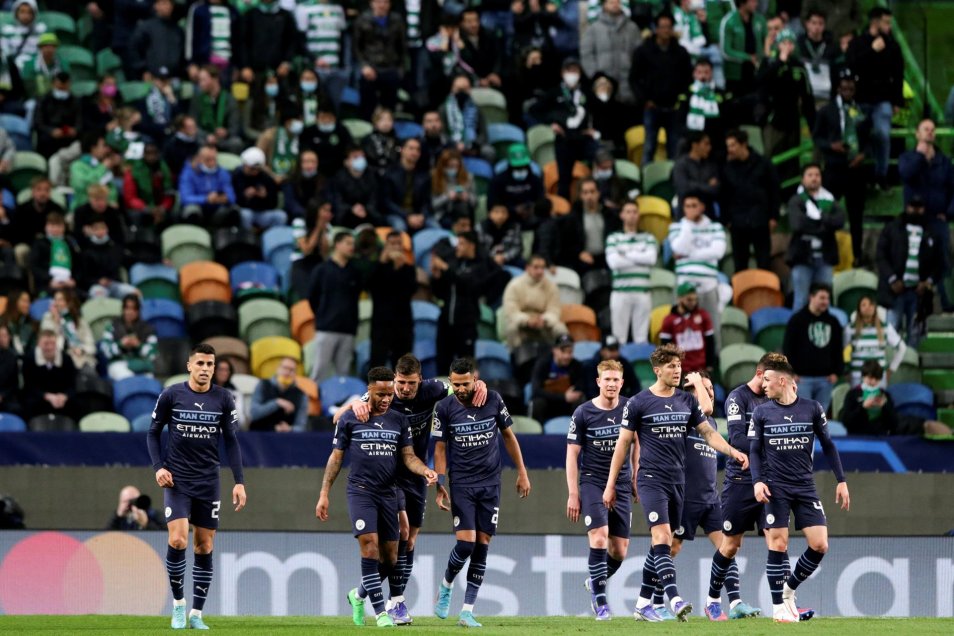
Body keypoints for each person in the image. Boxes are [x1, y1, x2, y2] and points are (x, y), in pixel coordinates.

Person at [334, 355, 488, 624]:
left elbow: (461, 387)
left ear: (420, 380)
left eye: (411, 383)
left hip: (416, 471)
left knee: (410, 541)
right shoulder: (379, 395)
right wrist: (356, 403)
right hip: (390, 474)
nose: (404, 389)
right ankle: (396, 604)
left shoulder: (434, 389)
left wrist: (480, 385)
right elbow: (339, 417)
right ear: (394, 379)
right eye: (401, 383)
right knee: (402, 533)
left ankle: (359, 594)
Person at [602, 344, 747, 622]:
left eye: (679, 366)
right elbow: (622, 445)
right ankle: (674, 598)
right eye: (671, 366)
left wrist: (731, 451)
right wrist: (611, 485)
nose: (677, 370)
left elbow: (707, 432)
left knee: (667, 542)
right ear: (657, 370)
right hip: (651, 479)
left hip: (678, 481)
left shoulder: (687, 401)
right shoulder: (638, 402)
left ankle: (643, 604)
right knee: (662, 538)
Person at [316, 366, 438, 628]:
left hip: (390, 492)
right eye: (380, 394)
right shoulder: (351, 418)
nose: (385, 399)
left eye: (388, 394)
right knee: (370, 545)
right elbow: (336, 458)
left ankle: (357, 596)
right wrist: (324, 493)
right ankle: (382, 611)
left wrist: (425, 470)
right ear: (368, 390)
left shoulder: (398, 420)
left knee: (392, 557)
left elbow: (408, 456)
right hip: (361, 492)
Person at [147, 343, 246, 630]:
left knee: (204, 545)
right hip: (177, 479)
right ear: (190, 366)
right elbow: (153, 433)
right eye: (200, 363)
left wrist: (239, 482)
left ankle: (196, 614)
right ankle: (178, 606)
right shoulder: (171, 395)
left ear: (215, 369)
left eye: (210, 365)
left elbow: (231, 441)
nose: (205, 369)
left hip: (208, 481)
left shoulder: (223, 399)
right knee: (178, 540)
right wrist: (159, 468)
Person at [432, 357, 531, 628]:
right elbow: (439, 448)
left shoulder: (493, 399)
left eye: (465, 383)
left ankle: (467, 611)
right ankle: (446, 585)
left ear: (474, 379)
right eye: (456, 384)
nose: (461, 388)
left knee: (483, 544)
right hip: (462, 482)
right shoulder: (443, 408)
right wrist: (440, 483)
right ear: (450, 382)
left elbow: (509, 436)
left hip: (490, 483)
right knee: (466, 544)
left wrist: (521, 471)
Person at [749, 355, 849, 622]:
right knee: (778, 544)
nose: (763, 385)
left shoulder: (813, 408)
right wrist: (757, 481)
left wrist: (841, 480)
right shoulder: (761, 412)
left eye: (767, 380)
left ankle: (789, 590)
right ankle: (779, 609)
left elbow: (828, 445)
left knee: (820, 544)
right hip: (775, 487)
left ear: (783, 381)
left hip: (805, 486)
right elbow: (755, 451)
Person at [668, 372, 759, 621]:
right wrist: (696, 381)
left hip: (710, 498)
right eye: (703, 388)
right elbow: (705, 406)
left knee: (727, 548)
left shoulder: (712, 425)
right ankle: (654, 602)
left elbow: (707, 408)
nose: (709, 393)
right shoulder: (685, 414)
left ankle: (735, 602)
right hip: (686, 497)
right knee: (670, 549)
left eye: (711, 388)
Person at [705, 352, 787, 622]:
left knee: (777, 540)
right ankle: (713, 601)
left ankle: (784, 606)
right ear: (762, 374)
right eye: (773, 377)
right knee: (730, 545)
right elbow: (737, 437)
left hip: (770, 480)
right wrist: (768, 448)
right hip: (740, 481)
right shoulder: (737, 398)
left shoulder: (775, 397)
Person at [566, 359, 636, 620]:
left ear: (622, 382)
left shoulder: (630, 407)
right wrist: (574, 492)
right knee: (599, 536)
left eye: (616, 379)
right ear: (598, 382)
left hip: (621, 482)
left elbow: (637, 442)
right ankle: (601, 603)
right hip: (593, 481)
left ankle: (595, 581)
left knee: (619, 550)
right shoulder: (583, 412)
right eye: (606, 379)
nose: (611, 384)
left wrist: (636, 475)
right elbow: (572, 455)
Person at [898, 118, 954, 312]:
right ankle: (913, 303)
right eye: (925, 129)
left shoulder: (943, 161)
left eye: (932, 129)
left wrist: (948, 213)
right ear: (917, 134)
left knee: (943, 260)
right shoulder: (908, 157)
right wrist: (919, 157)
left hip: (938, 220)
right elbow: (906, 174)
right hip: (915, 220)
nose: (930, 132)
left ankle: (948, 304)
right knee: (914, 260)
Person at [812, 70, 868, 265]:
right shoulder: (826, 111)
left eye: (851, 86)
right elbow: (817, 137)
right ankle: (826, 253)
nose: (847, 90)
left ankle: (858, 255)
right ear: (838, 88)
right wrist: (831, 146)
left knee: (856, 214)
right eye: (844, 86)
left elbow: (869, 139)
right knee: (827, 212)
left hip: (856, 170)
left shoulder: (861, 110)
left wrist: (863, 154)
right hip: (834, 168)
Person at [430, 231, 507, 372]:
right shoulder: (454, 262)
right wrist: (436, 278)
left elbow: (468, 286)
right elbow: (439, 293)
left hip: (466, 323)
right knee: (442, 364)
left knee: (465, 367)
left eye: (461, 243)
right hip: (446, 321)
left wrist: (446, 269)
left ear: (471, 246)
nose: (458, 247)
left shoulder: (480, 266)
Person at [847, 6, 903, 190]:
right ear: (875, 22)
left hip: (882, 100)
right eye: (886, 22)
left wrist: (897, 101)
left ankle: (881, 174)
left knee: (882, 133)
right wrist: (871, 51)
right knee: (857, 135)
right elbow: (852, 67)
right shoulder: (858, 43)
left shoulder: (893, 46)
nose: (889, 26)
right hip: (861, 99)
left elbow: (898, 74)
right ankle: (859, 174)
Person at [875, 197, 941, 347]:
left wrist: (928, 282)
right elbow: (881, 256)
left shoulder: (932, 232)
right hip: (895, 291)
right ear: (907, 207)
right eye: (913, 206)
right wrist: (892, 279)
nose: (916, 210)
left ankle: (910, 366)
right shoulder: (892, 228)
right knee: (892, 331)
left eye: (919, 207)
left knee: (915, 334)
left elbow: (939, 263)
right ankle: (892, 366)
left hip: (919, 294)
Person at [630, 12, 693, 163]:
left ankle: (674, 181)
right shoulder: (643, 51)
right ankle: (646, 180)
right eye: (662, 27)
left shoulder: (681, 52)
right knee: (649, 146)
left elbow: (688, 79)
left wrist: (682, 100)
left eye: (669, 27)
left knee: (674, 148)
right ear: (656, 29)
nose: (665, 30)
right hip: (652, 107)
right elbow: (634, 78)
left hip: (674, 109)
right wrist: (644, 99)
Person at [532, 58, 599, 200]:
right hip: (564, 140)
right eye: (569, 70)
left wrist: (594, 129)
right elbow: (535, 110)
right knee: (564, 180)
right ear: (563, 73)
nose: (572, 74)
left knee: (600, 162)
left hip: (584, 138)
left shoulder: (586, 92)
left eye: (575, 70)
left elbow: (600, 111)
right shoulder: (555, 92)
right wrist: (551, 124)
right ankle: (565, 211)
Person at [667, 191, 725, 343]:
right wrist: (688, 224)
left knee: (712, 326)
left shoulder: (716, 227)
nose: (690, 209)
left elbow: (718, 252)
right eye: (687, 206)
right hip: (683, 285)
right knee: (680, 327)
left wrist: (689, 254)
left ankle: (713, 362)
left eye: (694, 206)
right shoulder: (676, 227)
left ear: (702, 207)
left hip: (708, 285)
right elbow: (679, 248)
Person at [787, 163, 844, 311]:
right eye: (810, 175)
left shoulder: (829, 200)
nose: (814, 178)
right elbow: (798, 224)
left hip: (824, 257)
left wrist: (817, 223)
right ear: (803, 179)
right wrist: (824, 225)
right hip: (802, 257)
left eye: (817, 175)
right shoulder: (796, 200)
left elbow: (840, 220)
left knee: (825, 299)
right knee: (801, 299)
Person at [307, 231, 363, 381]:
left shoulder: (354, 272)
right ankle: (315, 404)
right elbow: (312, 297)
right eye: (348, 243)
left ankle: (340, 404)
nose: (352, 247)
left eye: (353, 244)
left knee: (343, 374)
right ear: (337, 244)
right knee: (320, 371)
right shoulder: (322, 270)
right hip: (326, 327)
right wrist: (322, 315)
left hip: (348, 329)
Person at [721, 128, 779, 272]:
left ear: (744, 144)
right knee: (740, 265)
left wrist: (773, 216)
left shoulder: (763, 163)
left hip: (760, 220)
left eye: (733, 145)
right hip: (738, 222)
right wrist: (727, 219)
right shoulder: (727, 168)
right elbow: (724, 195)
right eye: (728, 146)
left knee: (764, 263)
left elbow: (774, 191)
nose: (730, 149)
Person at [842, 360, 951, 437]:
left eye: (876, 379)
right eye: (870, 378)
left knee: (923, 423)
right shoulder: (853, 394)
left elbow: (894, 423)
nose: (873, 382)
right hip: (859, 435)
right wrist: (863, 407)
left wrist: (885, 406)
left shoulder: (884, 395)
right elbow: (846, 421)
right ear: (863, 376)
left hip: (883, 434)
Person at [782, 283, 843, 414]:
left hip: (826, 380)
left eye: (827, 298)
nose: (825, 302)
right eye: (822, 298)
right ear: (811, 297)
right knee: (803, 417)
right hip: (802, 379)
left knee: (820, 420)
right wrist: (791, 372)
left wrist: (837, 372)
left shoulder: (833, 322)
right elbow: (788, 348)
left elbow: (838, 348)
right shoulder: (797, 320)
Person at [606, 200, 657, 344]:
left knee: (641, 338)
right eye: (628, 212)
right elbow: (614, 262)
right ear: (622, 215)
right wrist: (639, 257)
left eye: (635, 212)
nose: (632, 215)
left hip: (643, 293)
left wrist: (625, 254)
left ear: (639, 215)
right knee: (618, 338)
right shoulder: (613, 238)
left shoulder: (648, 237)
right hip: (620, 293)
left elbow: (651, 259)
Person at [368, 231, 417, 369]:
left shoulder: (408, 269)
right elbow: (372, 287)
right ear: (386, 246)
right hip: (381, 324)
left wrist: (398, 268)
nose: (396, 247)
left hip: (403, 324)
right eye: (392, 244)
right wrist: (384, 262)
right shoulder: (377, 267)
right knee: (377, 364)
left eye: (399, 243)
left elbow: (408, 291)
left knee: (403, 366)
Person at [352, 0, 406, 119]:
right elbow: (356, 47)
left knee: (390, 106)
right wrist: (364, 66)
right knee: (367, 106)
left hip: (390, 68)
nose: (382, 5)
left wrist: (400, 70)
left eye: (385, 2)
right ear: (372, 3)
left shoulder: (397, 20)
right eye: (378, 2)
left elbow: (402, 46)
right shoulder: (362, 20)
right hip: (370, 67)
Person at [580, 0, 641, 104]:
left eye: (617, 1)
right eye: (610, 2)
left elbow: (640, 56)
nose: (614, 4)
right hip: (603, 88)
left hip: (628, 87)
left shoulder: (632, 28)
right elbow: (586, 55)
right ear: (604, 5)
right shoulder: (593, 28)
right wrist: (596, 76)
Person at [501, 254, 566, 349]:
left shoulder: (551, 287)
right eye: (536, 267)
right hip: (522, 323)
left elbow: (554, 311)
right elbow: (511, 312)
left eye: (542, 268)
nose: (540, 271)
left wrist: (544, 319)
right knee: (512, 328)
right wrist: (527, 320)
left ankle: (561, 359)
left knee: (561, 329)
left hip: (543, 323)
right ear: (527, 268)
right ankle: (515, 358)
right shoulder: (514, 285)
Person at [556, 178, 620, 274]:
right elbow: (566, 244)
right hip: (584, 262)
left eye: (592, 192)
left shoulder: (609, 215)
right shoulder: (573, 218)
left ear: (598, 193)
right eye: (585, 193)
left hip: (607, 260)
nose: (589, 196)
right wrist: (579, 253)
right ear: (581, 195)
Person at [845, 296, 906, 388]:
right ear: (858, 309)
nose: (867, 307)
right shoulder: (850, 329)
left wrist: (891, 369)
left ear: (875, 308)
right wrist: (847, 370)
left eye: (871, 304)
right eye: (864, 305)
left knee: (878, 402)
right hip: (857, 376)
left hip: (879, 377)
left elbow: (902, 348)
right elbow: (844, 351)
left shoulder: (885, 327)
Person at [235, 0, 299, 86]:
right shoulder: (249, 15)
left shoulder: (286, 16)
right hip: (254, 72)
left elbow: (292, 42)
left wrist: (286, 62)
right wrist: (245, 66)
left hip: (280, 71)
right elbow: (242, 42)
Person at [659, 282, 717, 375]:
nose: (693, 303)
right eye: (689, 300)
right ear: (679, 299)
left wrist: (710, 366)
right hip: (681, 371)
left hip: (701, 370)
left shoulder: (703, 315)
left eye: (695, 299)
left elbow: (710, 342)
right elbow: (665, 348)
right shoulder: (669, 320)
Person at [100, 294, 158, 381]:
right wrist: (121, 344)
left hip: (141, 363)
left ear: (138, 311)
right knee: (128, 378)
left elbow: (153, 354)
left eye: (133, 309)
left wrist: (138, 345)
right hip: (119, 363)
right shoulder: (112, 327)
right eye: (127, 308)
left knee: (148, 380)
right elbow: (105, 350)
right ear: (123, 309)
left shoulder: (147, 329)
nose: (130, 312)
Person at [22, 329, 76, 423]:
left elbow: (72, 384)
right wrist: (47, 396)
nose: (50, 347)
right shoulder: (29, 359)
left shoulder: (66, 359)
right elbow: (29, 386)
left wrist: (64, 396)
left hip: (61, 398)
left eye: (52, 343)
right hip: (39, 398)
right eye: (46, 343)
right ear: (39, 343)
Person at [719, 0, 767, 104]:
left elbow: (766, 42)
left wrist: (762, 59)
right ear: (742, 2)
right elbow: (725, 51)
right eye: (753, 1)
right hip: (735, 75)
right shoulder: (729, 21)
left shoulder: (760, 20)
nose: (756, 4)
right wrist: (748, 57)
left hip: (755, 71)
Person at [178, 145, 239, 226]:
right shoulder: (189, 173)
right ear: (199, 159)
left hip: (216, 210)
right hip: (198, 208)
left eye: (214, 159)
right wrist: (206, 199)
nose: (212, 163)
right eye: (208, 159)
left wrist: (223, 198)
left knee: (233, 209)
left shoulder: (222, 173)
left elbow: (232, 197)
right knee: (191, 210)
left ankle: (226, 235)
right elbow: (185, 198)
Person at [530, 333, 585, 421]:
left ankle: (578, 431)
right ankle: (537, 432)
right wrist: (563, 397)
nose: (566, 356)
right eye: (563, 351)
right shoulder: (542, 365)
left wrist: (572, 395)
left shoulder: (577, 366)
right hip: (548, 403)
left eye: (570, 352)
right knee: (538, 403)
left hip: (567, 405)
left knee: (581, 402)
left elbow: (580, 387)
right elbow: (536, 391)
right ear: (554, 350)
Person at [189, 65, 243, 154]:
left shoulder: (229, 99)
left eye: (204, 80)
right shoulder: (197, 99)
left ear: (215, 79)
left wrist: (226, 132)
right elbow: (193, 125)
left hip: (223, 140)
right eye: (199, 80)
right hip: (204, 138)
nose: (200, 84)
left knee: (236, 143)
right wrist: (207, 136)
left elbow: (235, 126)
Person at [381, 137, 431, 233]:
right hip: (396, 214)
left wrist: (422, 216)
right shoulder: (390, 173)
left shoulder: (424, 175)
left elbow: (427, 202)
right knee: (400, 227)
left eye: (417, 149)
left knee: (435, 228)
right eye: (411, 148)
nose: (414, 152)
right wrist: (407, 215)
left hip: (418, 215)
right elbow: (386, 202)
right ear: (402, 150)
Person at [488, 143, 545, 226]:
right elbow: (492, 205)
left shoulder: (535, 179)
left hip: (532, 217)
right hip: (507, 219)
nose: (521, 169)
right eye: (517, 167)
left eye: (523, 166)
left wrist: (533, 208)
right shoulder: (498, 181)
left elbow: (541, 199)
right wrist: (513, 210)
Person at [40, 289, 95, 373]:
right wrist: (57, 322)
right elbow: (47, 342)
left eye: (61, 300)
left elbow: (91, 345)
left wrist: (82, 349)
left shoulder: (80, 322)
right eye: (55, 300)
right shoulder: (48, 318)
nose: (57, 303)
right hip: (57, 360)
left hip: (79, 360)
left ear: (70, 302)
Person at [232, 146, 287, 230]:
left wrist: (265, 196)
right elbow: (233, 199)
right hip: (246, 210)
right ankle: (249, 239)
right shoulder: (237, 175)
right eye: (251, 169)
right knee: (245, 214)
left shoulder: (266, 177)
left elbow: (274, 203)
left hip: (263, 212)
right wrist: (245, 196)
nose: (254, 171)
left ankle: (272, 240)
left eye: (256, 169)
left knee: (281, 216)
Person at [128, 0, 185, 80]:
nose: (166, 7)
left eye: (169, 4)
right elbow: (134, 50)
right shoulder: (145, 28)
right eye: (163, 3)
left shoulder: (178, 30)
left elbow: (182, 55)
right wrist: (143, 71)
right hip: (150, 78)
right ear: (156, 6)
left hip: (174, 79)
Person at [123, 141, 176, 226]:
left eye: (154, 153)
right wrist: (147, 209)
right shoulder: (134, 170)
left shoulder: (164, 168)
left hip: (161, 207)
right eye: (148, 153)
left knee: (174, 214)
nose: (151, 156)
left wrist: (163, 207)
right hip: (142, 207)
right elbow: (130, 198)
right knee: (137, 216)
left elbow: (169, 193)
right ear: (143, 154)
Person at [249, 356, 308, 432]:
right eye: (285, 368)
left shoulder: (301, 395)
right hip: (259, 435)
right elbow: (254, 414)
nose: (287, 372)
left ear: (295, 373)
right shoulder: (263, 385)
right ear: (278, 369)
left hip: (287, 438)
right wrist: (277, 403)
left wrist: (290, 429)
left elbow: (301, 426)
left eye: (291, 370)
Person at [29, 212, 79, 295]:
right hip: (47, 284)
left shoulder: (70, 243)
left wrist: (74, 280)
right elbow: (34, 266)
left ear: (64, 227)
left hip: (69, 283)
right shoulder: (39, 243)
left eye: (59, 226)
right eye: (52, 226)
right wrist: (50, 280)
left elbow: (79, 265)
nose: (55, 229)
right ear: (46, 227)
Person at [33, 71, 80, 158]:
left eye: (64, 89)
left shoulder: (75, 101)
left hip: (68, 136)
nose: (61, 91)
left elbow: (79, 121)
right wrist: (51, 131)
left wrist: (74, 130)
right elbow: (38, 123)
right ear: (53, 84)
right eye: (59, 88)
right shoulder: (43, 100)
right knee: (45, 140)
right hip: (49, 135)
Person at [332, 146, 382, 228]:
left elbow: (375, 198)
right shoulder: (338, 178)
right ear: (346, 162)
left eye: (362, 156)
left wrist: (365, 208)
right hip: (346, 216)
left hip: (368, 214)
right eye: (355, 157)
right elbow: (337, 201)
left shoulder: (372, 176)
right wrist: (351, 209)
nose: (360, 160)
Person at [673, 131, 720, 215]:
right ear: (695, 145)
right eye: (706, 144)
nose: (709, 148)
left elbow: (715, 190)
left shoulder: (711, 164)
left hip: (708, 214)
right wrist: (706, 185)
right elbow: (683, 189)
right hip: (685, 215)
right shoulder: (681, 164)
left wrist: (692, 184)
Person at [69, 132, 119, 211]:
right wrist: (103, 167)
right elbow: (85, 185)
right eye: (103, 146)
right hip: (83, 210)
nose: (107, 149)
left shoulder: (102, 165)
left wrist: (111, 201)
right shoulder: (77, 166)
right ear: (93, 148)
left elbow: (111, 189)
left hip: (104, 210)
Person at [581, 335, 640, 400]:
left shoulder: (624, 364)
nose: (614, 353)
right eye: (611, 350)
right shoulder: (591, 366)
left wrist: (628, 401)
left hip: (620, 403)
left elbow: (635, 386)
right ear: (602, 351)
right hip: (597, 404)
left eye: (616, 349)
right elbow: (591, 392)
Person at [429, 147, 477, 229]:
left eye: (456, 166)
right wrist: (447, 197)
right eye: (450, 166)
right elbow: (432, 205)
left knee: (463, 209)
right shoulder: (435, 178)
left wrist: (467, 197)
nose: (454, 169)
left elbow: (475, 202)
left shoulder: (468, 177)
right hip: (444, 213)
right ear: (443, 166)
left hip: (464, 211)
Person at [797, 9, 838, 102]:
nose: (817, 27)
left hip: (825, 95)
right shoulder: (799, 44)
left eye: (820, 23)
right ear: (807, 24)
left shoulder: (831, 46)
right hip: (804, 95)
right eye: (814, 23)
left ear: (824, 26)